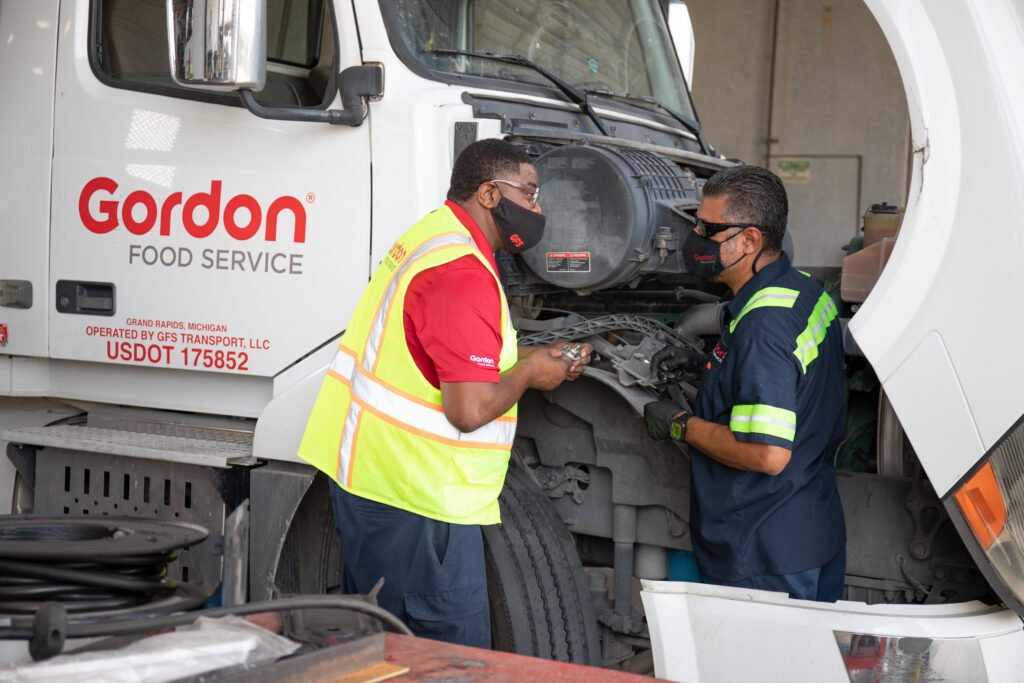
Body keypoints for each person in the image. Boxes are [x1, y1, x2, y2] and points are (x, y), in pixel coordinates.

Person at [298, 139, 591, 646]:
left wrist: (529, 359)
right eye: (530, 193)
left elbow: (438, 361)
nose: (538, 209)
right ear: (489, 193)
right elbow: (470, 408)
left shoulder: (435, 234)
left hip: (380, 482)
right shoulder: (461, 273)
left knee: (380, 651)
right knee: (439, 658)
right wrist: (527, 376)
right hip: (418, 500)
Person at [644, 164, 846, 602]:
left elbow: (767, 452)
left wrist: (680, 423)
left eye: (708, 229)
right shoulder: (804, 291)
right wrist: (705, 366)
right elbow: (793, 385)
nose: (695, 237)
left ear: (750, 240)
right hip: (809, 524)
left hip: (763, 550)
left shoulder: (763, 325)